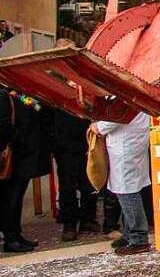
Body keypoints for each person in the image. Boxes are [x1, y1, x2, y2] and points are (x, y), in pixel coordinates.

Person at [94, 112, 152, 255]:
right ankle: (129, 234)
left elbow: (118, 115)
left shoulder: (127, 93)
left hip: (127, 144)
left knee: (128, 192)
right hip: (130, 140)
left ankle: (138, 239)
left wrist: (98, 126)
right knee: (127, 190)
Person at [0, 90, 50, 253]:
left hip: (24, 156)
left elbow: (38, 109)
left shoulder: (19, 94)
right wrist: (19, 138)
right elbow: (3, 125)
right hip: (15, 156)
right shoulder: (3, 95)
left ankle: (16, 235)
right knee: (10, 199)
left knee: (16, 198)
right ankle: (10, 238)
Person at [47, 107, 99, 241]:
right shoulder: (56, 90)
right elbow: (45, 114)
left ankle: (88, 218)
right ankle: (69, 224)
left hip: (87, 141)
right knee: (67, 187)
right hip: (64, 145)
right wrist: (54, 138)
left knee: (90, 184)